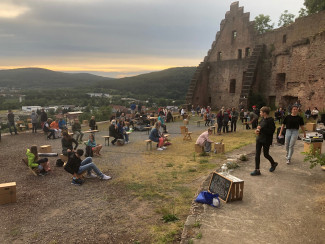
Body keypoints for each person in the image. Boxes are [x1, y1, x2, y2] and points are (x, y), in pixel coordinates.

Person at [250, 107, 277, 176]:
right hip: (259, 139)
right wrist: (257, 131)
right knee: (257, 154)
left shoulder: (270, 120)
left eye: (261, 112)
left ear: (264, 113)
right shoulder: (262, 120)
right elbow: (259, 128)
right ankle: (257, 170)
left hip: (266, 140)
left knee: (266, 154)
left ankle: (273, 164)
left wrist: (261, 130)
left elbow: (271, 131)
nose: (260, 113)